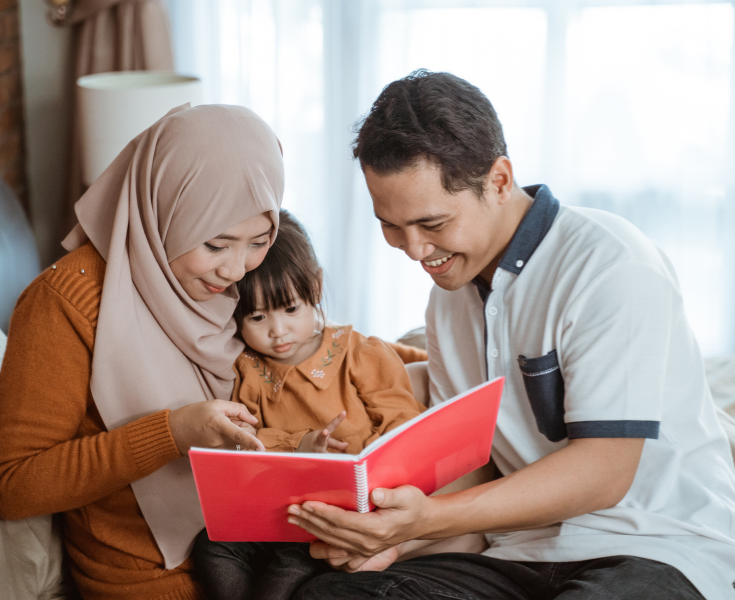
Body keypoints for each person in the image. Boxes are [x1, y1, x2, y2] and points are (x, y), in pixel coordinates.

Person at [288, 70, 735, 599]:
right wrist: (389, 537)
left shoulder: (610, 265)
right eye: (390, 225)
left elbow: (605, 472)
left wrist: (428, 518)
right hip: (519, 550)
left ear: (499, 180)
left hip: (655, 545)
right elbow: (473, 462)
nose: (413, 250)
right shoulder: (448, 298)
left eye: (432, 224)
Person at [0, 104, 284, 600]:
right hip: (158, 580)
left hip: (265, 545)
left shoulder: (229, 281)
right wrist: (171, 432)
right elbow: (15, 484)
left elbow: (311, 340)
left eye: (259, 241)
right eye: (215, 245)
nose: (236, 269)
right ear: (163, 209)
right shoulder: (66, 302)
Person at [193, 209, 426, 600]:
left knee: (289, 566)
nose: (278, 331)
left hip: (339, 516)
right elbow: (242, 441)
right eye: (257, 317)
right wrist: (298, 445)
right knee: (212, 546)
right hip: (275, 511)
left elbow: (404, 425)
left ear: (314, 288)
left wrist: (367, 468)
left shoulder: (360, 354)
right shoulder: (247, 370)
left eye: (290, 309)